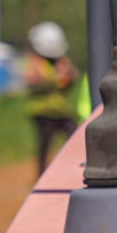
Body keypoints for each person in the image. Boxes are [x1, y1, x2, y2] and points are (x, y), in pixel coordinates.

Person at [22, 21, 78, 174]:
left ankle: (72, 166)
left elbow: (72, 75)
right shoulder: (35, 62)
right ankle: (41, 174)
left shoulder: (61, 61)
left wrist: (68, 77)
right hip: (42, 111)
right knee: (45, 144)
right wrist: (54, 79)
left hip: (59, 110)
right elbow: (31, 81)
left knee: (74, 132)